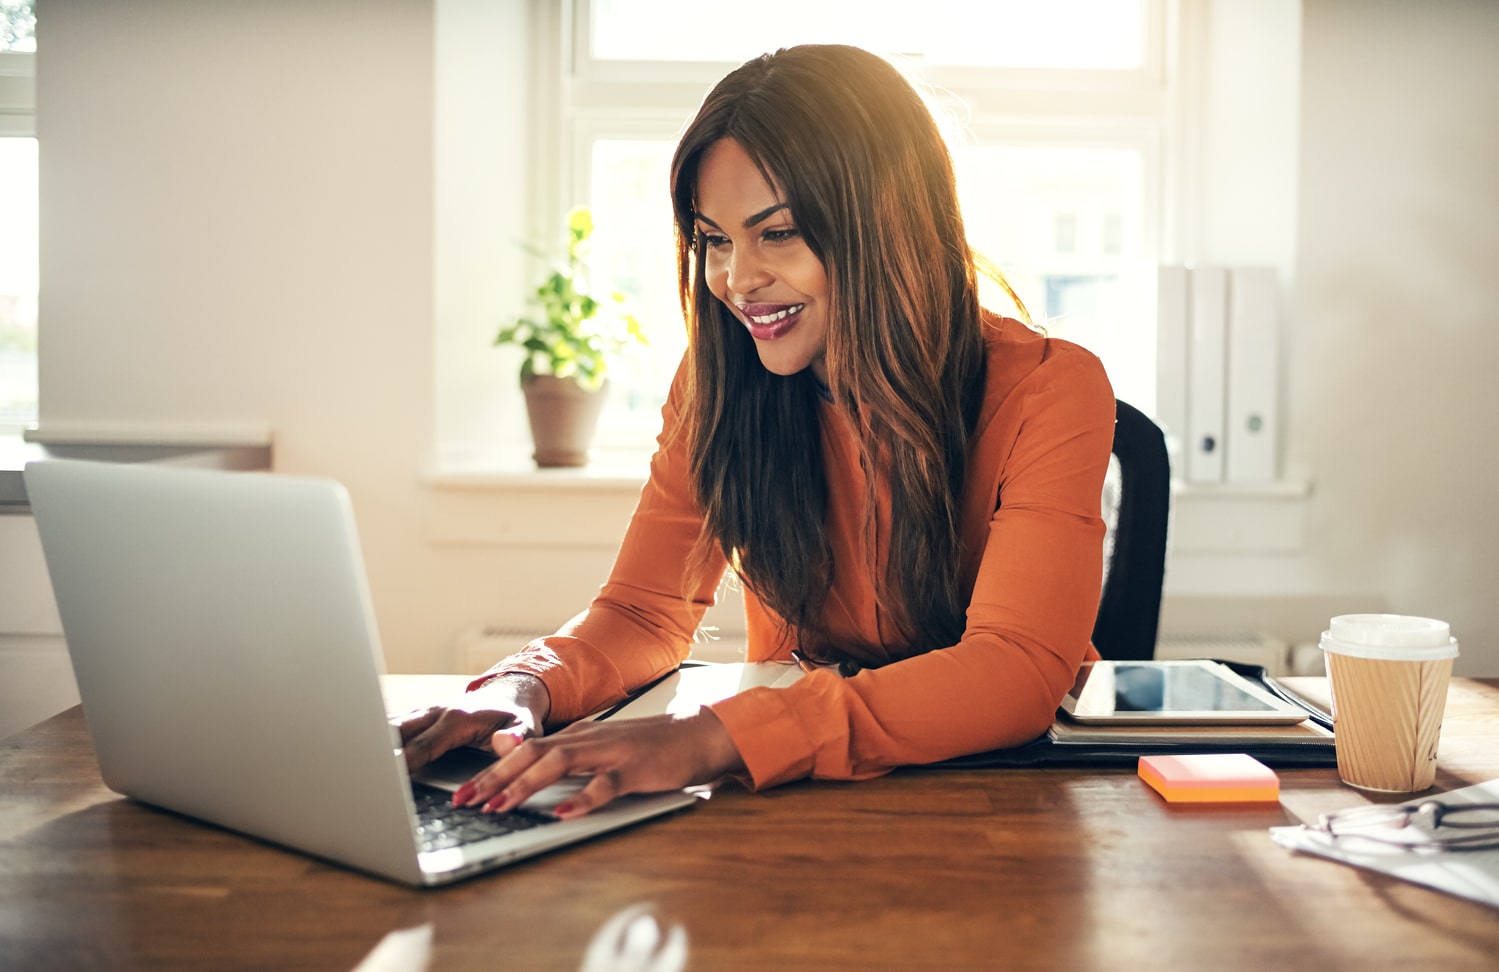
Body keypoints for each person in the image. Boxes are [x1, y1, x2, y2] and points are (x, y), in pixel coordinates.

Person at [396, 44, 1115, 819]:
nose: (735, 280)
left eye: (777, 234)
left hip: (1003, 797)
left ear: (887, 223)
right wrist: (520, 686)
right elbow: (643, 613)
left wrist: (708, 740)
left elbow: (1012, 671)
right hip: (794, 793)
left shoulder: (1050, 387)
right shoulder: (717, 385)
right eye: (713, 240)